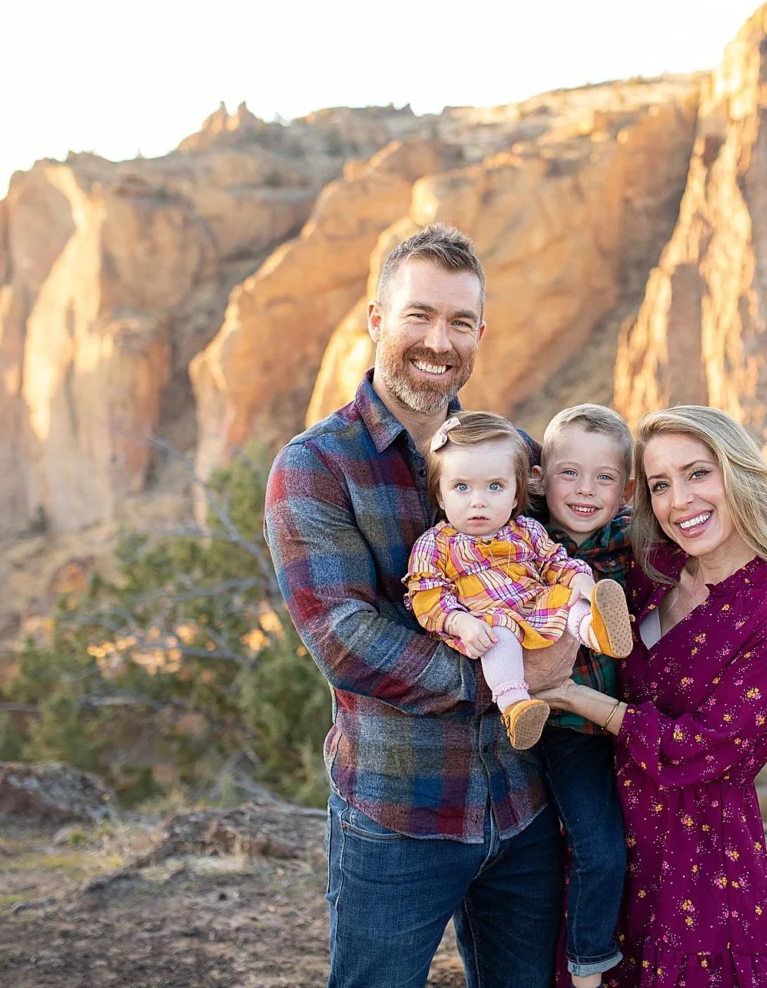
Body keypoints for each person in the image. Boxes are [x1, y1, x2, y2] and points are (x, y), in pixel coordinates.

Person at [266, 224, 576, 988]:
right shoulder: (314, 468)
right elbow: (344, 638)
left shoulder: (511, 456)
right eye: (420, 315)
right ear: (376, 320)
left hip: (524, 805)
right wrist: (512, 680)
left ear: (479, 334)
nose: (440, 341)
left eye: (460, 322)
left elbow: (585, 549)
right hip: (397, 815)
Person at [538, 406, 767, 988]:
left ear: (737, 472)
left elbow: (705, 750)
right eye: (660, 485)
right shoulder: (653, 567)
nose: (681, 501)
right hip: (602, 833)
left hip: (695, 855)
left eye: (698, 473)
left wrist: (580, 701)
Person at [407, 409, 630, 750]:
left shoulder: (526, 530)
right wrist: (457, 621)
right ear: (440, 495)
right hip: (488, 621)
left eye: (495, 487)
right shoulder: (434, 545)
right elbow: (428, 595)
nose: (478, 501)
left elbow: (555, 561)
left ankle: (598, 632)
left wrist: (581, 583)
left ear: (515, 495)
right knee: (499, 636)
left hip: (535, 606)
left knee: (567, 602)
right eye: (461, 487)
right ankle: (515, 706)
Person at [529, 404, 635, 988]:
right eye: (570, 473)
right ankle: (587, 962)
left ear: (627, 490)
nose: (586, 491)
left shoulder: (636, 540)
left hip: (600, 728)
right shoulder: (522, 537)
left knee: (605, 848)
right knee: (576, 852)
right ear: (542, 478)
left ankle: (590, 958)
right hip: (544, 724)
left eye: (605, 478)